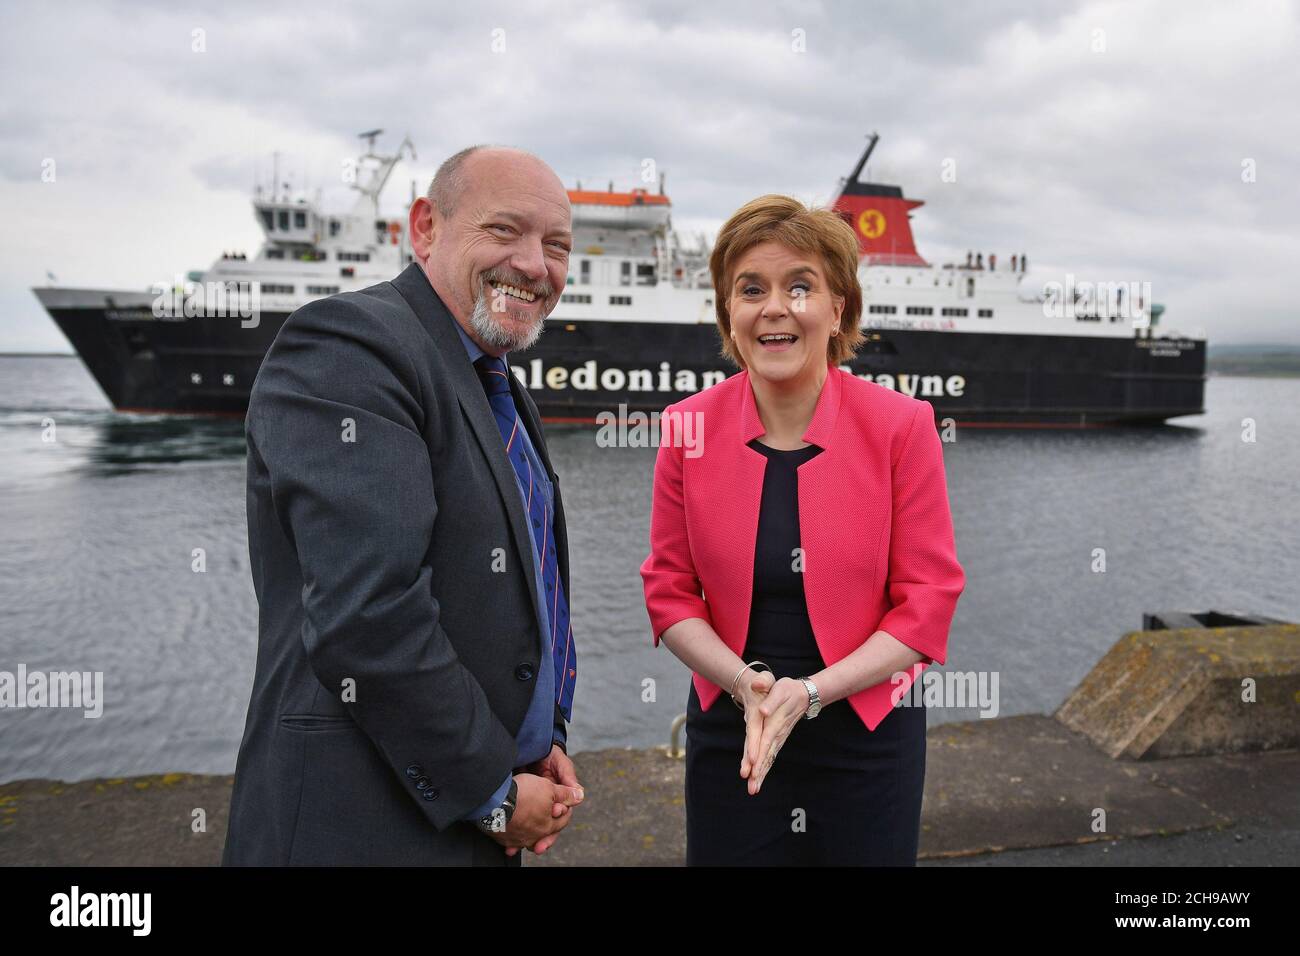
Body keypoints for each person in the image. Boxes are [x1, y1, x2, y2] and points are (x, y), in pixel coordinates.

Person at [223, 145, 584, 866]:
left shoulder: (498, 386)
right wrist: (493, 792)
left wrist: (540, 742)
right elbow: (370, 612)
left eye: (556, 246)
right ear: (425, 227)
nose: (535, 265)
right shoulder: (350, 345)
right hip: (358, 828)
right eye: (504, 230)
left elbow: (522, 591)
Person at [640, 194, 965, 866]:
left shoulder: (901, 426)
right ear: (729, 311)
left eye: (800, 286)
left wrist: (812, 692)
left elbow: (927, 601)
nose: (774, 307)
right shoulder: (686, 428)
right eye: (750, 289)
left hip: (867, 734)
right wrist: (746, 686)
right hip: (737, 728)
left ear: (838, 307)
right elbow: (670, 593)